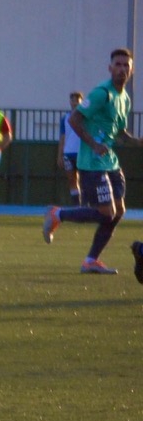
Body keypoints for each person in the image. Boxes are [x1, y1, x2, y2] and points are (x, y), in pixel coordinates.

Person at [42, 48, 134, 276]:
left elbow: (120, 131)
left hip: (110, 162)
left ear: (132, 70)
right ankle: (58, 214)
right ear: (110, 68)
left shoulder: (124, 98)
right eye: (118, 64)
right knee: (106, 213)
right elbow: (74, 119)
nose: (122, 69)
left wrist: (137, 141)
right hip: (92, 162)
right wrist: (93, 144)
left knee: (118, 211)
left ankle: (91, 260)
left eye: (126, 65)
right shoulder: (102, 93)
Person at [60, 93, 84, 204]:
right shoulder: (65, 118)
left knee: (84, 179)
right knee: (71, 179)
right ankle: (76, 204)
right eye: (73, 100)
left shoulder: (84, 117)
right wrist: (60, 155)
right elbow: (62, 137)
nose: (75, 103)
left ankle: (86, 203)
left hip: (82, 153)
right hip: (68, 153)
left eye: (77, 100)